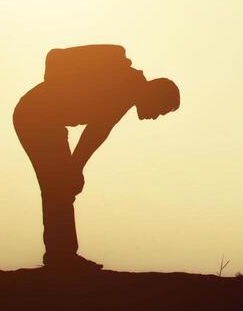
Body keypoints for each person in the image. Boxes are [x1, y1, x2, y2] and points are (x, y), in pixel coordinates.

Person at [13, 44, 180, 271]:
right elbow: (96, 131)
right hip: (35, 117)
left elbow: (98, 130)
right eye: (161, 110)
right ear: (156, 94)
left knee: (60, 186)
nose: (155, 117)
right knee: (58, 186)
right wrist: (75, 167)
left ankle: (61, 254)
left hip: (44, 118)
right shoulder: (124, 86)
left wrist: (75, 167)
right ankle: (61, 257)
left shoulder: (127, 88)